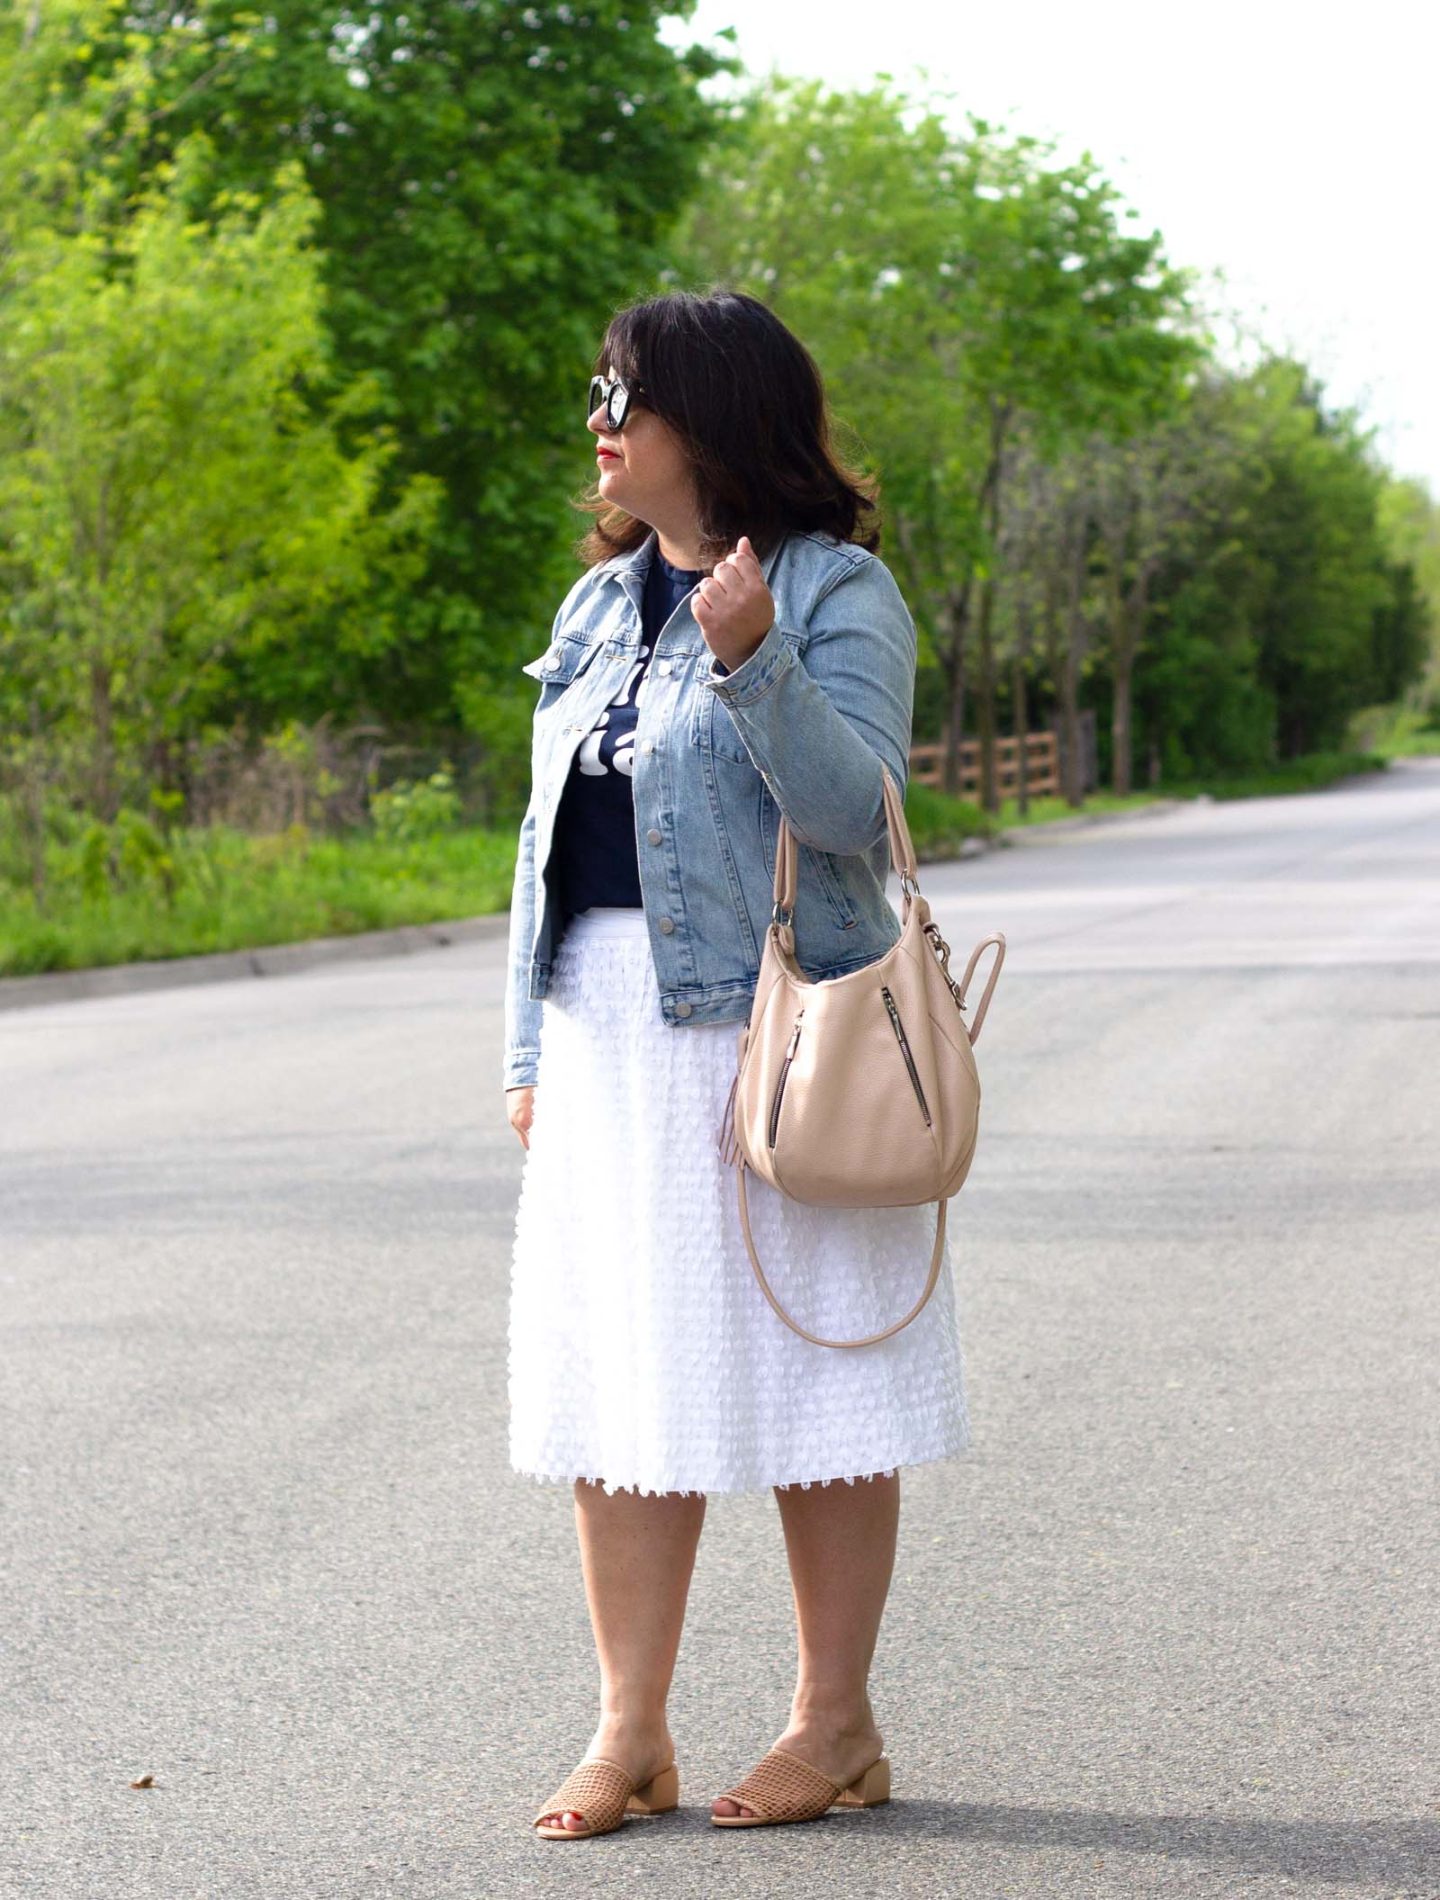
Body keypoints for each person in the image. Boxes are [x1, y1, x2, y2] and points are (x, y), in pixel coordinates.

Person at [502, 288, 969, 1840]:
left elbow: (856, 815)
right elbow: (545, 850)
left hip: (782, 1032)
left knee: (813, 1376)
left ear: (708, 415)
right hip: (607, 1039)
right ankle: (630, 1732)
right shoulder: (597, 605)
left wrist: (759, 659)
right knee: (625, 1385)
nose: (599, 423)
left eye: (621, 394)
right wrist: (527, 1046)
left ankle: (832, 1724)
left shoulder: (837, 591)